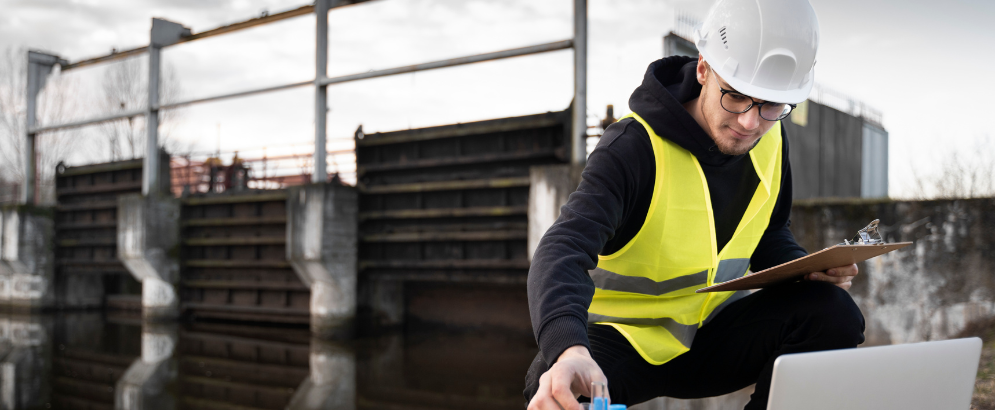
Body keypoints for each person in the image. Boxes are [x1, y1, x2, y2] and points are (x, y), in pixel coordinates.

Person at [524, 0, 865, 409]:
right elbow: (563, 248)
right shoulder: (632, 149)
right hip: (623, 342)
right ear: (703, 69)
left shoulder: (771, 140)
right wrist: (569, 350)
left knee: (833, 313)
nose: (749, 123)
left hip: (712, 335)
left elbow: (769, 234)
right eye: (736, 96)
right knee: (554, 382)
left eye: (771, 104)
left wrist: (806, 270)